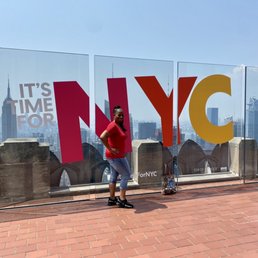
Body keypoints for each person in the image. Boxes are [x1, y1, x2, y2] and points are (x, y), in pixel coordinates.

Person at [100, 105, 134, 208]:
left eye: (123, 115)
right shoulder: (113, 125)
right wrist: (110, 149)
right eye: (119, 115)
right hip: (115, 157)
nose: (121, 117)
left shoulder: (118, 125)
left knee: (114, 177)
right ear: (114, 115)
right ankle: (122, 200)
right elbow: (102, 137)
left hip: (117, 156)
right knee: (126, 175)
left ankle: (112, 199)